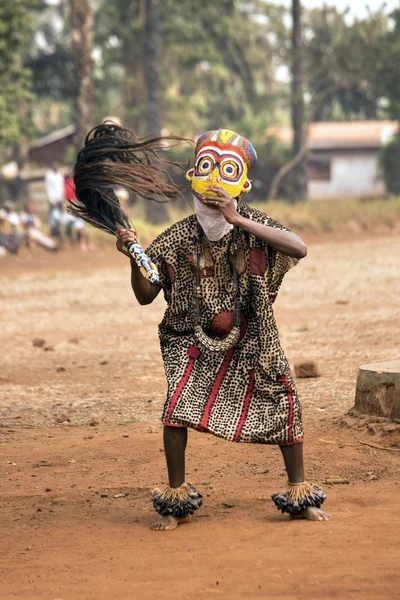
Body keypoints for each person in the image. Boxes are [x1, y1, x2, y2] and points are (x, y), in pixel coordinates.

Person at [74, 125, 331, 531]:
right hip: (191, 339)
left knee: (284, 399)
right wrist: (131, 254)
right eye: (206, 168)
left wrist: (236, 219)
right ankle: (177, 500)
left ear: (242, 186)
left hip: (254, 336)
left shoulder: (253, 222)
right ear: (193, 176)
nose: (213, 183)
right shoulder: (175, 238)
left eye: (226, 172)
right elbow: (146, 294)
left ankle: (300, 494)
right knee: (176, 407)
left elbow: (298, 247)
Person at [44, 161, 64, 237]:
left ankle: (60, 229)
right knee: (52, 214)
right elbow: (48, 187)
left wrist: (62, 197)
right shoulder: (49, 175)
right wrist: (50, 198)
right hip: (52, 198)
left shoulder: (59, 175)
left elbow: (61, 187)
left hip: (59, 197)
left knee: (60, 214)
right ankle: (50, 229)